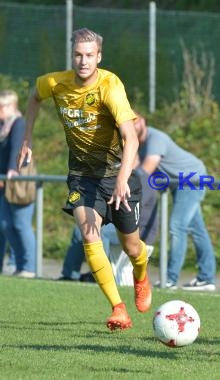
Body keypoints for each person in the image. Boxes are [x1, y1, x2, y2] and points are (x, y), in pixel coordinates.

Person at [18, 28, 151, 331]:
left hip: (118, 177)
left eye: (89, 55)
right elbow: (34, 96)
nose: (83, 60)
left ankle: (141, 274)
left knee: (132, 248)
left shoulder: (110, 86)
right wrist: (27, 137)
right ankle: (118, 309)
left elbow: (131, 138)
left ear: (99, 57)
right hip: (82, 178)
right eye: (78, 54)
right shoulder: (55, 82)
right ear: (72, 55)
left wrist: (123, 178)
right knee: (89, 234)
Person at [133, 113, 217, 291]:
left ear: (142, 122)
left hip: (192, 179)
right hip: (177, 184)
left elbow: (146, 169)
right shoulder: (136, 143)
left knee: (176, 226)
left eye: (134, 121)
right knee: (197, 229)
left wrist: (124, 182)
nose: (131, 125)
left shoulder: (155, 138)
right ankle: (207, 278)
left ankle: (169, 279)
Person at [59, 166, 158, 284]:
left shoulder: (140, 178)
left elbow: (127, 207)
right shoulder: (109, 173)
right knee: (81, 229)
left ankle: (98, 275)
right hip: (113, 219)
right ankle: (70, 275)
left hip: (139, 228)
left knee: (101, 232)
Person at [0, 89, 36, 278]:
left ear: (12, 106)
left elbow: (17, 148)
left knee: (21, 224)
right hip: (5, 183)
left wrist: (10, 172)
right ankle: (20, 265)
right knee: (6, 224)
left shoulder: (18, 123)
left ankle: (29, 267)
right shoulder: (3, 125)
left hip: (18, 183)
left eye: (2, 106)